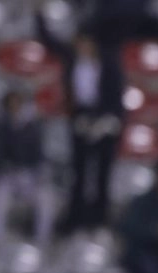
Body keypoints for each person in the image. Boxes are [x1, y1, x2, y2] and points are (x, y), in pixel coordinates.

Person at [35, 6, 127, 232]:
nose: (83, 47)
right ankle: (75, 217)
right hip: (80, 119)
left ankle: (99, 218)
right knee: (79, 172)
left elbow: (116, 95)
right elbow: (49, 41)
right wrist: (38, 14)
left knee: (102, 174)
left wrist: (107, 120)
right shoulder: (71, 58)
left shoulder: (109, 63)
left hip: (105, 120)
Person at [0, 91, 55, 250]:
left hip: (30, 178)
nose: (15, 108)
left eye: (18, 104)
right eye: (11, 105)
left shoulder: (32, 128)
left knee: (46, 198)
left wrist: (38, 175)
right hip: (8, 177)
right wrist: (6, 172)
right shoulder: (0, 128)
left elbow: (39, 157)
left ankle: (41, 243)